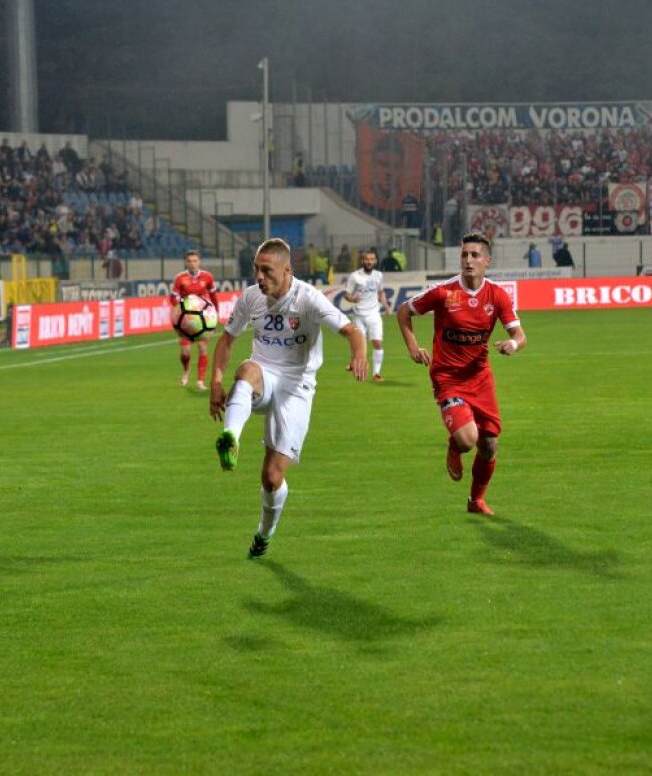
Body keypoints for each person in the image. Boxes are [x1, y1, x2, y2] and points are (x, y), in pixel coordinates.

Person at [209, 238, 367, 558]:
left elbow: (351, 330)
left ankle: (265, 532)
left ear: (287, 270)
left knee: (271, 478)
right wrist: (215, 382)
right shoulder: (251, 297)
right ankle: (230, 438)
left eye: (267, 270)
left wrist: (359, 354)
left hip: (297, 387)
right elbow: (226, 340)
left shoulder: (308, 298)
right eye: (256, 269)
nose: (259, 276)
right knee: (246, 370)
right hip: (264, 376)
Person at [396, 233, 526, 516]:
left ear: (487, 261)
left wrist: (513, 344)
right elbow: (404, 312)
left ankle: (475, 501)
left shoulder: (498, 295)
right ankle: (455, 446)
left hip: (480, 379)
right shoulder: (443, 292)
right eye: (464, 255)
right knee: (468, 440)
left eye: (475, 255)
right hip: (448, 378)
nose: (468, 260)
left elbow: (520, 335)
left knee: (489, 445)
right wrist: (413, 347)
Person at [170, 250, 219, 390]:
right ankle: (186, 371)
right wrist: (181, 309)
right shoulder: (180, 278)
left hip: (203, 320)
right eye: (189, 261)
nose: (192, 263)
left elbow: (213, 297)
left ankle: (200, 381)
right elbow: (172, 297)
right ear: (185, 263)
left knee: (203, 348)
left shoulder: (207, 277)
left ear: (199, 262)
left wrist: (215, 316)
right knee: (185, 352)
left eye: (195, 261)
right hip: (186, 321)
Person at [340, 249, 391, 382]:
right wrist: (353, 299)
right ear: (362, 261)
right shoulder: (355, 276)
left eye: (372, 259)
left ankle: (376, 374)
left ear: (375, 261)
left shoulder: (378, 275)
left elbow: (380, 292)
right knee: (359, 345)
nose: (369, 261)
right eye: (367, 259)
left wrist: (386, 306)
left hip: (374, 314)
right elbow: (346, 294)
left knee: (377, 343)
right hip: (359, 315)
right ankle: (354, 363)